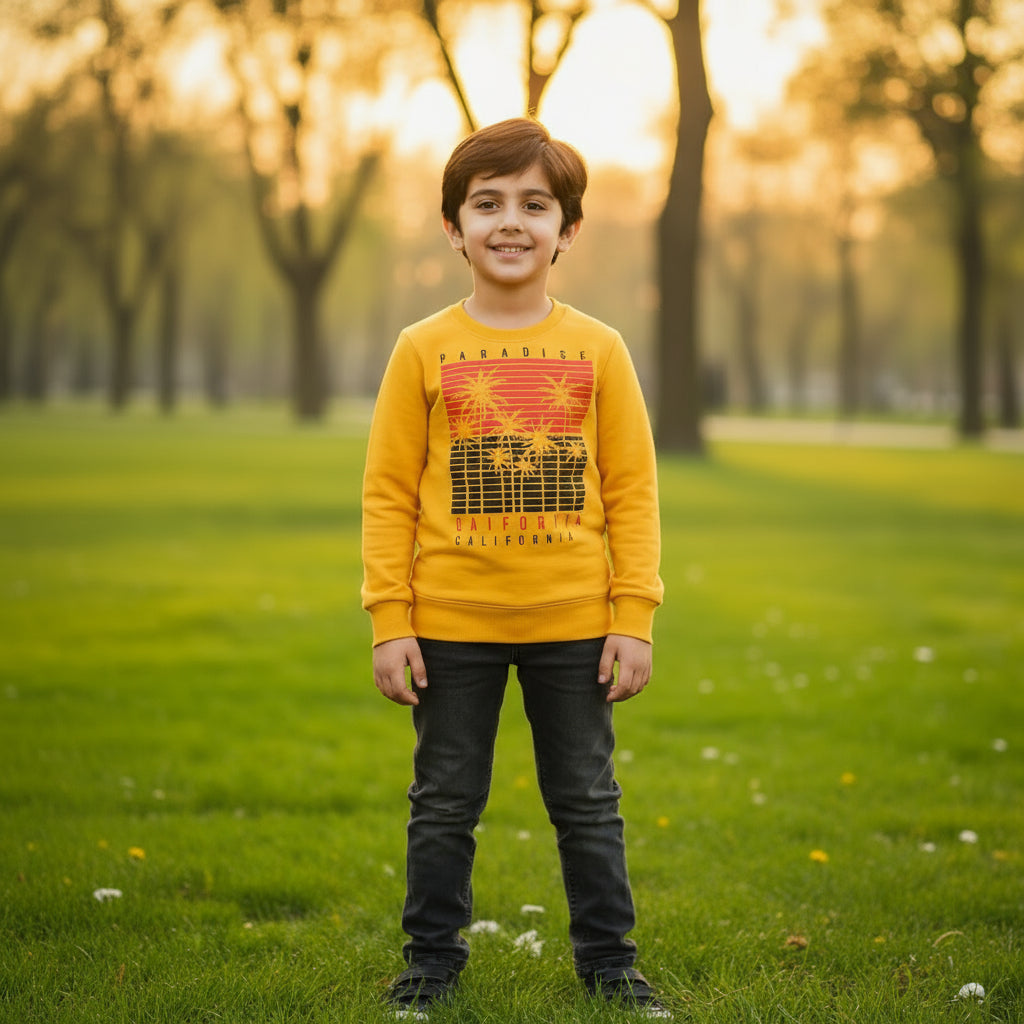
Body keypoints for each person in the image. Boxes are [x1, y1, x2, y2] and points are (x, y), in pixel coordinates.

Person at [361, 117, 669, 1021]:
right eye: (486, 203)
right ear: (453, 227)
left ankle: (612, 965)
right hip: (450, 623)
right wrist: (391, 620)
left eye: (535, 205)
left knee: (586, 802)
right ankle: (428, 965)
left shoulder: (600, 349)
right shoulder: (422, 348)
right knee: (445, 802)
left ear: (567, 231)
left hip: (575, 623)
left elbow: (633, 493)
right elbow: (385, 493)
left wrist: (633, 616)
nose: (510, 222)